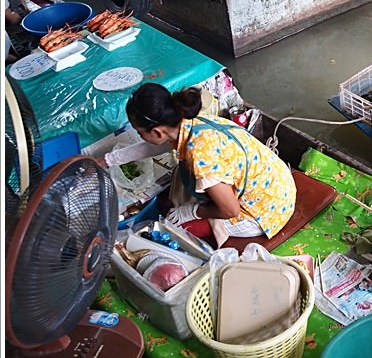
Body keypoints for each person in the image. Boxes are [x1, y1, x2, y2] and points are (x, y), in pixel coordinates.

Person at [123, 82, 296, 247]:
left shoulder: (200, 155)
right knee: (182, 177)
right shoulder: (191, 121)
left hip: (266, 212)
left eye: (139, 132)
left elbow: (231, 211)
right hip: (279, 183)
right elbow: (154, 146)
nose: (140, 136)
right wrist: (110, 159)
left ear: (157, 132)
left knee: (173, 229)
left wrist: (192, 212)